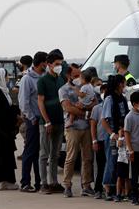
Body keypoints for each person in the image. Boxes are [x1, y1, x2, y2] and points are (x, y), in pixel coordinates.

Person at [59, 68, 94, 198]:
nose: (78, 77)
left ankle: (86, 185)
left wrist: (84, 109)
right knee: (71, 157)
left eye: (79, 75)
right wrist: (86, 113)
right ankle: (67, 185)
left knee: (87, 158)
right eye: (75, 75)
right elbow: (68, 108)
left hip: (86, 127)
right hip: (72, 128)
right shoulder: (64, 90)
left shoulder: (86, 87)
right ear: (69, 76)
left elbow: (94, 103)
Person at [37, 51, 65, 194]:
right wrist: (47, 121)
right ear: (49, 65)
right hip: (47, 123)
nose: (59, 66)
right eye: (57, 64)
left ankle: (54, 182)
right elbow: (40, 102)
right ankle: (43, 183)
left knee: (55, 154)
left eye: (61, 64)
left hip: (60, 121)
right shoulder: (42, 81)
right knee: (44, 154)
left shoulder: (61, 80)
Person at [18, 51, 46, 192]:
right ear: (40, 63)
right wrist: (32, 118)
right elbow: (24, 102)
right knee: (30, 152)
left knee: (39, 153)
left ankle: (39, 181)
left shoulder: (44, 76)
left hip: (43, 120)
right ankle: (25, 182)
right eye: (46, 63)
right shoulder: (27, 79)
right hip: (33, 120)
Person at [101, 74, 128, 201]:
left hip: (122, 134)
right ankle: (107, 188)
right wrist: (112, 134)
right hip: (112, 136)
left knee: (121, 162)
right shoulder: (109, 99)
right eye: (123, 83)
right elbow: (104, 120)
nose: (125, 86)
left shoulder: (122, 98)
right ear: (119, 84)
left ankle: (120, 190)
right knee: (111, 161)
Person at [90, 96, 108, 199]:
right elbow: (93, 125)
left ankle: (109, 189)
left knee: (109, 166)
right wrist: (94, 140)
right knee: (101, 166)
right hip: (100, 140)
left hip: (111, 141)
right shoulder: (97, 108)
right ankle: (98, 189)